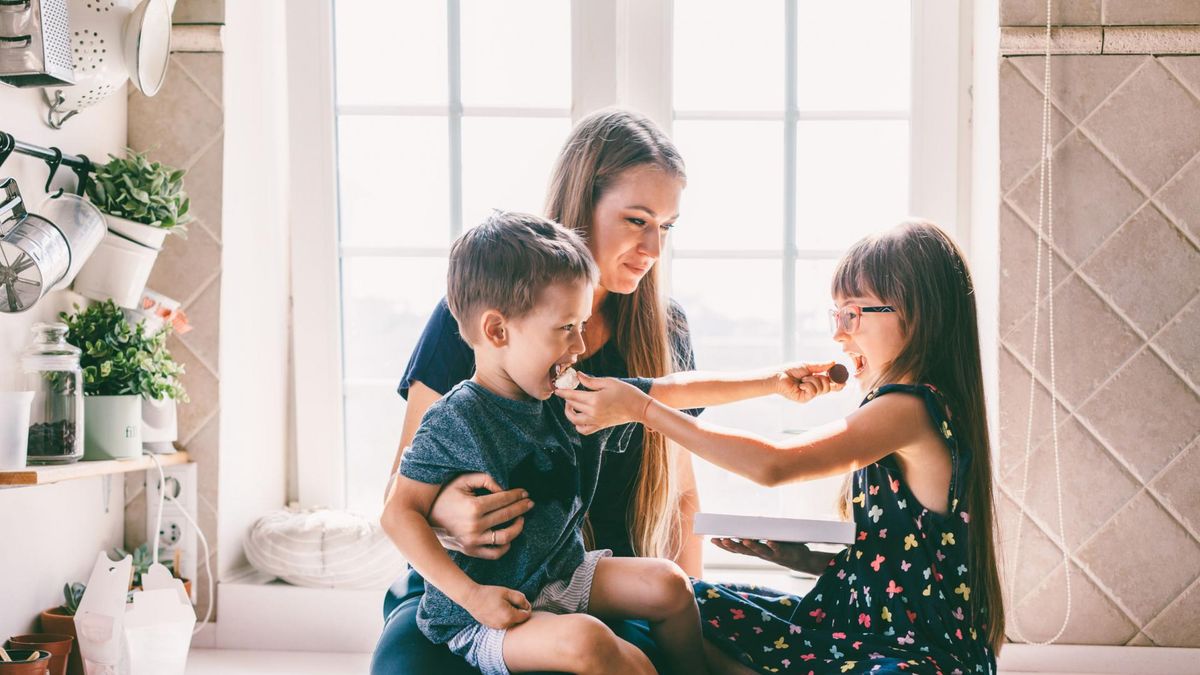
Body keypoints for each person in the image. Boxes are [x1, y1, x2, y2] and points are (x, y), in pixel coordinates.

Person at [558, 221, 1005, 674]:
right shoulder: (919, 407)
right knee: (687, 602)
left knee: (678, 620)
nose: (839, 334)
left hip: (909, 652)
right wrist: (803, 559)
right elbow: (899, 567)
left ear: (918, 315)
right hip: (869, 628)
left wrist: (643, 410)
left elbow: (774, 465)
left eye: (853, 314)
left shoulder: (909, 407)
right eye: (836, 315)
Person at [371, 109, 705, 675]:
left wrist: (693, 603)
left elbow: (681, 496)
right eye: (636, 220)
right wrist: (451, 514)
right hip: (470, 583)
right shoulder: (481, 316)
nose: (653, 247)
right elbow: (402, 495)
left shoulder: (664, 328)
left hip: (588, 578)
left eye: (667, 227)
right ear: (583, 207)